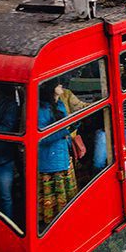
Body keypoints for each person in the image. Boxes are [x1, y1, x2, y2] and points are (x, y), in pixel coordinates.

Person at [37, 80, 77, 227]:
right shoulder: (40, 110)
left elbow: (65, 127)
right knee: (54, 201)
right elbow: (41, 138)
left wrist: (74, 123)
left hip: (63, 155)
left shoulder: (59, 104)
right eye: (58, 85)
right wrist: (65, 130)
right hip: (50, 162)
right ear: (51, 89)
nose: (61, 87)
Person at [0, 85, 22, 221]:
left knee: (5, 197)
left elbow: (6, 129)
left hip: (3, 160)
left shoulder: (9, 105)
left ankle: (8, 224)